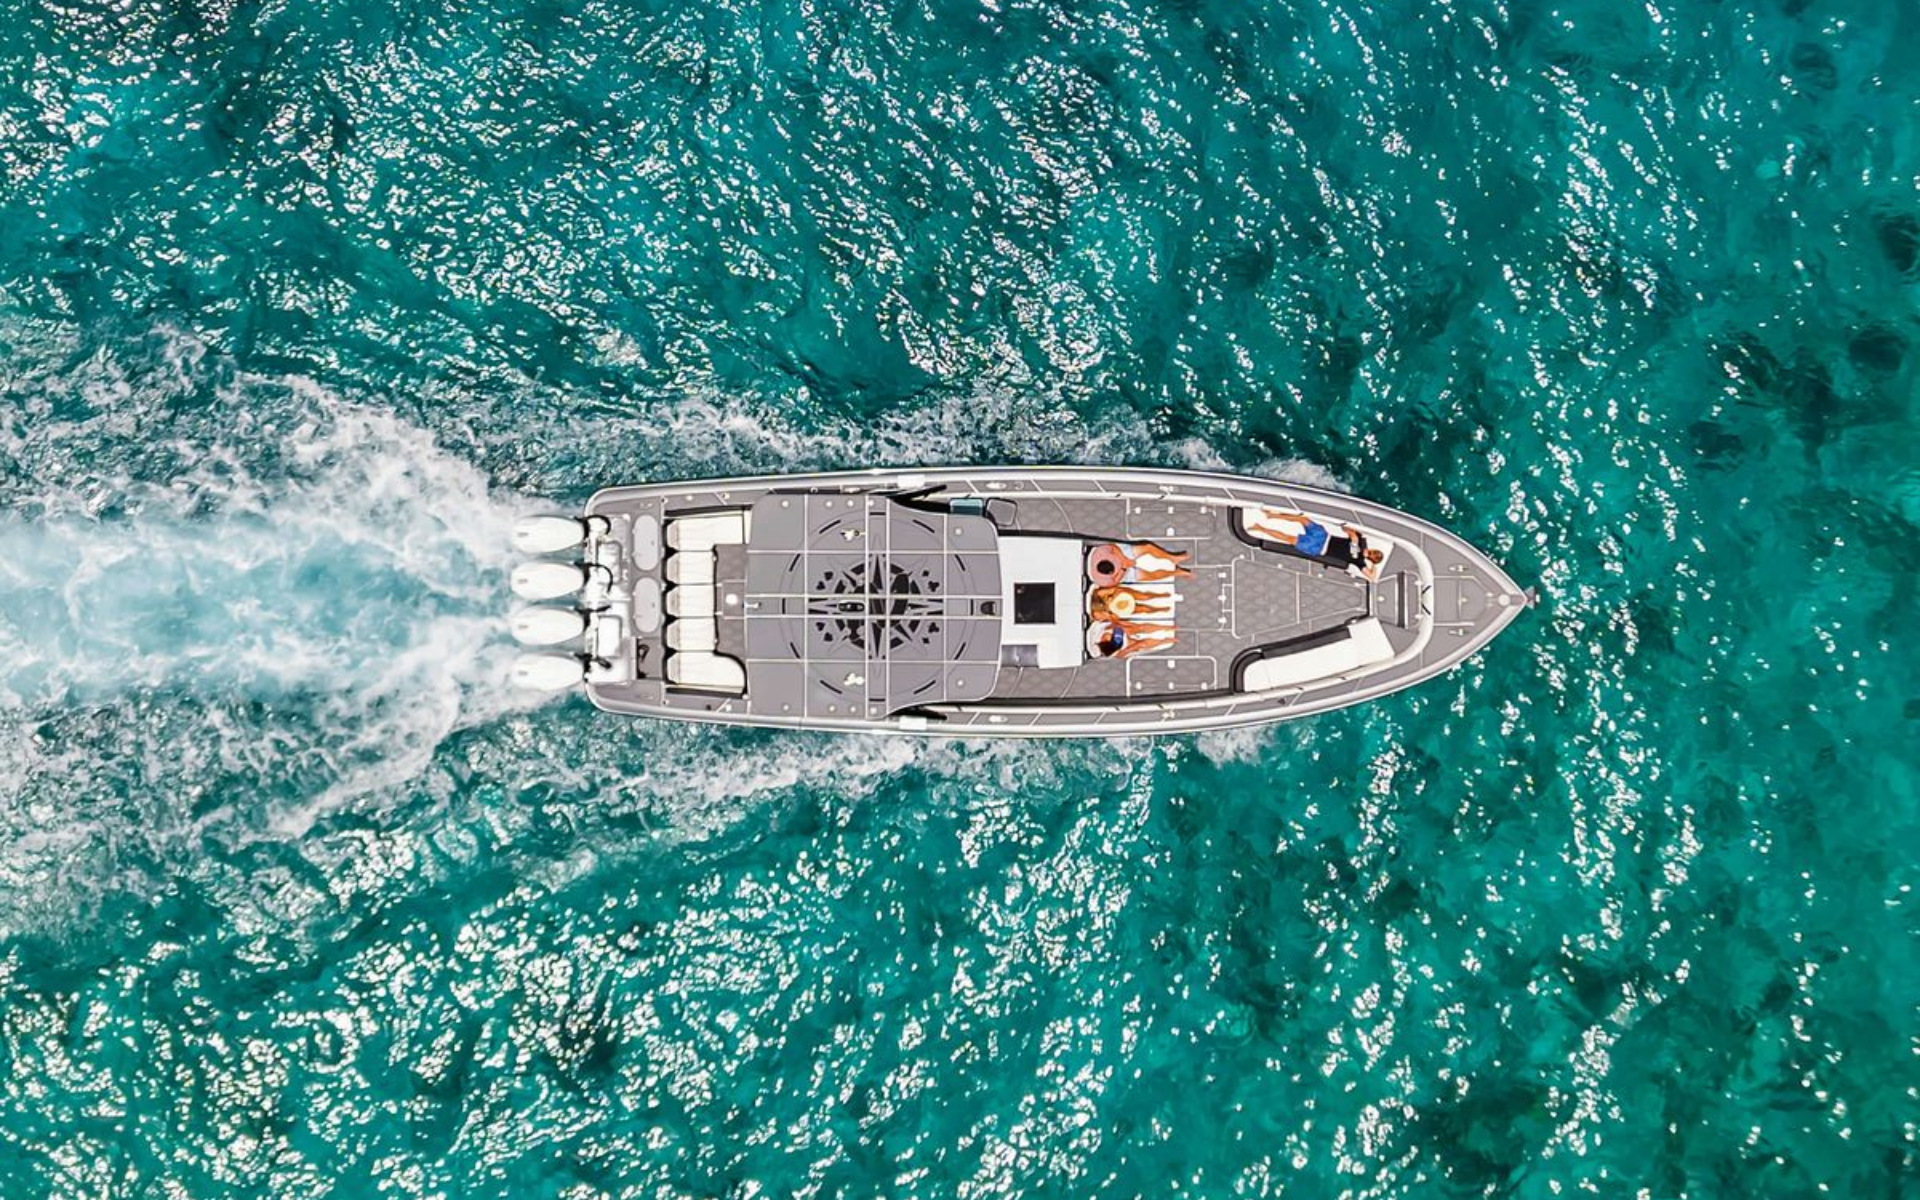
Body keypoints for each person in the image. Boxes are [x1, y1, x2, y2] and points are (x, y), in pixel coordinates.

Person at [1089, 541, 1192, 583]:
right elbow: (1114, 581)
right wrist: (1123, 568)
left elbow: (1112, 547)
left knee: (1147, 548)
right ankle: (1177, 572)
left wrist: (1124, 559)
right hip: (1123, 572)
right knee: (1151, 576)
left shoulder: (1099, 554)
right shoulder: (1100, 579)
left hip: (1120, 555)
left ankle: (1172, 558)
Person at [1092, 620, 1177, 659]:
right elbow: (1121, 654)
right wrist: (1131, 649)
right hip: (1123, 647)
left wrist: (1130, 626)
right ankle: (1164, 641)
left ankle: (1166, 628)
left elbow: (1116, 624)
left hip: (1118, 633)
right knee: (1141, 644)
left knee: (1139, 628)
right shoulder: (1108, 651)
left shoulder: (1105, 635)